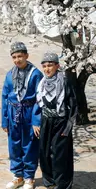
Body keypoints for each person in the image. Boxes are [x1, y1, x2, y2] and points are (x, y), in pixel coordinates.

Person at [1, 42, 43, 189]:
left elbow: (40, 98)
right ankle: (18, 176)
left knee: (29, 145)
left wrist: (36, 120)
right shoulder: (9, 74)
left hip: (29, 112)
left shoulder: (36, 74)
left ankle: (29, 177)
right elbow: (5, 97)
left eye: (20, 56)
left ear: (26, 56)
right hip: (13, 114)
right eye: (14, 57)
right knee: (14, 145)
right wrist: (5, 120)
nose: (17, 60)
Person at [36, 52, 77, 189]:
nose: (47, 69)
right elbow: (38, 105)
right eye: (44, 66)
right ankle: (50, 182)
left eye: (50, 65)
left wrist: (68, 126)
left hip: (61, 122)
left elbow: (73, 105)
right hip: (46, 121)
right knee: (44, 152)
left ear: (57, 66)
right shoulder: (42, 83)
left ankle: (63, 185)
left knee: (60, 155)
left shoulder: (65, 81)